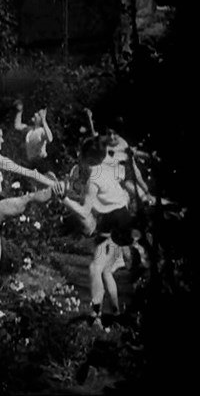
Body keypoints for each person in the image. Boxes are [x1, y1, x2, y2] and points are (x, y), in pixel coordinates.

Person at [0, 123, 58, 320]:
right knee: (28, 198)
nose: (2, 140)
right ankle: (58, 191)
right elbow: (28, 172)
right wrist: (53, 183)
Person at [54, 136, 134, 326]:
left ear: (85, 157)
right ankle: (115, 314)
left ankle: (96, 315)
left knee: (94, 268)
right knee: (105, 271)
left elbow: (84, 211)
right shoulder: (105, 167)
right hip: (119, 218)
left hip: (116, 222)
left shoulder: (94, 181)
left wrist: (63, 198)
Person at [14, 100, 54, 175]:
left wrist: (44, 120)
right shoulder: (29, 130)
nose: (35, 114)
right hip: (31, 164)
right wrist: (19, 111)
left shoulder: (42, 131)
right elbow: (17, 126)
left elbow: (50, 139)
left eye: (38, 114)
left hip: (41, 164)